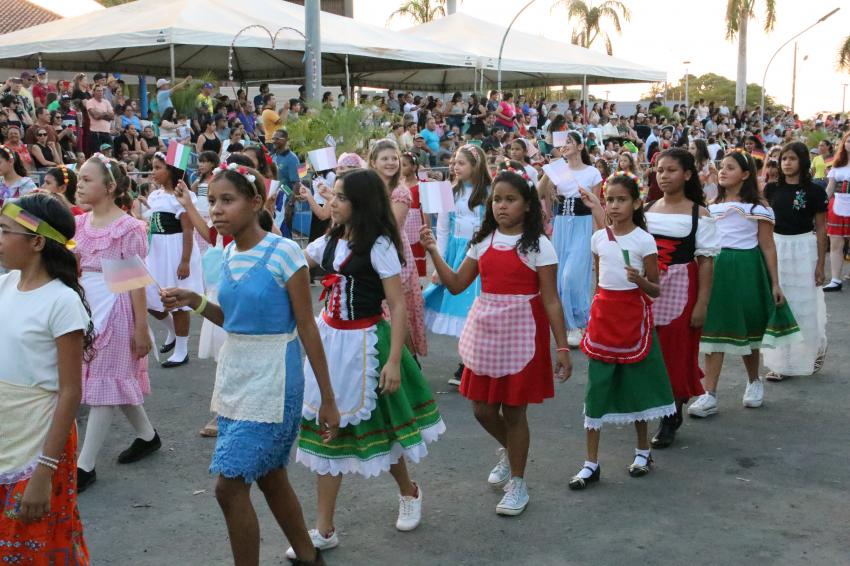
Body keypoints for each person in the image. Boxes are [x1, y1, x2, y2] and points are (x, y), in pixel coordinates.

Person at [160, 164, 339, 566]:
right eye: (211, 202)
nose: (217, 210)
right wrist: (193, 300)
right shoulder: (223, 255)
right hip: (236, 376)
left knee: (229, 486)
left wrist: (327, 398)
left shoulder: (285, 252)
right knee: (272, 476)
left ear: (255, 202)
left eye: (228, 200)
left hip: (277, 380)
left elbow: (308, 328)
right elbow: (234, 322)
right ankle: (309, 557)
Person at [290, 169, 445, 557]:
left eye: (340, 197)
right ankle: (324, 528)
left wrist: (394, 360)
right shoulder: (329, 240)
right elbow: (290, 259)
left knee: (382, 431)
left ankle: (409, 491)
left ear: (360, 205)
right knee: (330, 430)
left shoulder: (378, 246)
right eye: (334, 196)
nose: (333, 202)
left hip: (365, 344)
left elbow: (397, 305)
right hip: (329, 341)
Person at [420, 163, 571, 515]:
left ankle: (518, 482)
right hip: (486, 331)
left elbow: (550, 299)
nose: (502, 206)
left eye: (511, 200)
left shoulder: (539, 246)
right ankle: (511, 449)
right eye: (497, 200)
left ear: (528, 205)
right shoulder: (482, 241)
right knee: (482, 409)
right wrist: (432, 251)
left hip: (523, 332)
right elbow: (456, 284)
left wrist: (561, 347)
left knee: (515, 411)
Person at [0, 193, 92, 566]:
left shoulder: (62, 302)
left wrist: (44, 471)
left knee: (37, 540)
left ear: (37, 242)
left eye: (5, 231)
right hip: (7, 430)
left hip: (40, 443)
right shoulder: (5, 287)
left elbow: (70, 392)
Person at [568, 174, 675, 489]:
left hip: (632, 319)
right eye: (609, 199)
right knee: (596, 389)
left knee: (635, 386)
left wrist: (639, 280)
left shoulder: (644, 240)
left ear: (636, 203)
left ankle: (643, 452)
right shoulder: (599, 238)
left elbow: (655, 290)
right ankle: (591, 463)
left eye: (621, 199)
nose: (614, 205)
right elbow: (600, 281)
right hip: (605, 319)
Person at [688, 151, 801, 418]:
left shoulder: (757, 207)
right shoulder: (709, 205)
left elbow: (768, 245)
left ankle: (754, 381)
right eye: (721, 167)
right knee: (713, 329)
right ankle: (709, 393)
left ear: (746, 174)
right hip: (715, 268)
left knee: (748, 330)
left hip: (746, 269)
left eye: (730, 167)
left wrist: (775, 283)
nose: (723, 172)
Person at [71, 155, 159, 492]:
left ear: (109, 187)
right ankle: (148, 436)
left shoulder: (127, 227)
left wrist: (140, 328)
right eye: (79, 178)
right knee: (110, 380)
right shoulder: (79, 224)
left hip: (116, 309)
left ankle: (85, 465)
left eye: (87, 179)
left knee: (105, 385)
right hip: (84, 307)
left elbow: (133, 283)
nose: (80, 184)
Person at [644, 149, 719, 448]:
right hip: (649, 288)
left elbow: (707, 262)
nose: (663, 175)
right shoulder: (647, 209)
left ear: (687, 174)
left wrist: (702, 303)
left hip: (681, 287)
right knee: (649, 349)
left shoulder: (699, 213)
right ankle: (657, 404)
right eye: (659, 170)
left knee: (675, 351)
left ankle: (671, 414)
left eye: (671, 170)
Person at [423, 144, 491, 385]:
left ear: (476, 166)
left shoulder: (489, 192)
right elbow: (442, 228)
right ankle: (466, 363)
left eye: (461, 163)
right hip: (455, 254)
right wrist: (438, 263)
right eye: (454, 162)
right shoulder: (448, 192)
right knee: (459, 307)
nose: (455, 167)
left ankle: (476, 362)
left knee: (476, 308)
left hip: (480, 254)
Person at [762, 142, 828, 381]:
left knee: (803, 304)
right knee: (779, 303)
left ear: (802, 162)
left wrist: (820, 263)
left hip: (804, 248)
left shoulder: (814, 192)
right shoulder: (770, 190)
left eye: (792, 158)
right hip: (776, 246)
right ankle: (781, 363)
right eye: (783, 159)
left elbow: (821, 228)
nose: (787, 163)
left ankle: (813, 350)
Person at [537, 131, 603, 347]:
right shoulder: (559, 170)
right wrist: (549, 171)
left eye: (569, 142)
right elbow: (539, 193)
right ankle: (567, 325)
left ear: (580, 146)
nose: (564, 146)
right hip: (561, 225)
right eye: (563, 143)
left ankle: (578, 321)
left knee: (571, 276)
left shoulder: (592, 172)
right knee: (559, 276)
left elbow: (595, 203)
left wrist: (597, 234)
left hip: (582, 225)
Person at [369, 139, 427, 358]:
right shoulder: (369, 187)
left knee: (396, 312)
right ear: (373, 162)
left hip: (393, 253)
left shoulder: (400, 192)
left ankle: (407, 363)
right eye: (385, 158)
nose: (391, 163)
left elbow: (390, 225)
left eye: (394, 158)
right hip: (371, 252)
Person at [145, 153, 204, 368]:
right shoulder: (155, 196)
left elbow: (188, 231)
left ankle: (181, 349)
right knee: (150, 297)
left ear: (170, 171)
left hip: (177, 249)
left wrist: (185, 261)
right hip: (157, 252)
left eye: (158, 167)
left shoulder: (180, 197)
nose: (153, 172)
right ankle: (171, 330)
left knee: (178, 302)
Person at [823, 132, 850, 291]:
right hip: (838, 204)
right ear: (844, 143)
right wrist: (822, 203)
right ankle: (835, 279)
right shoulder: (837, 164)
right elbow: (830, 187)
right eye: (848, 141)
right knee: (836, 244)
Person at [400, 151, 427, 276]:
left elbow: (425, 210)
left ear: (414, 167)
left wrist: (426, 229)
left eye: (404, 165)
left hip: (416, 226)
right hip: (403, 225)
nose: (401, 167)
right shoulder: (399, 185)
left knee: (416, 256)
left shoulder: (421, 185)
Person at [85, 85, 114, 156]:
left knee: (110, 154)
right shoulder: (90, 102)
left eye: (101, 91)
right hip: (96, 133)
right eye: (98, 91)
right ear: (93, 92)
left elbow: (112, 116)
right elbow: (95, 116)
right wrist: (106, 114)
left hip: (106, 133)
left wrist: (101, 113)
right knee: (98, 155)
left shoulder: (106, 102)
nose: (100, 92)